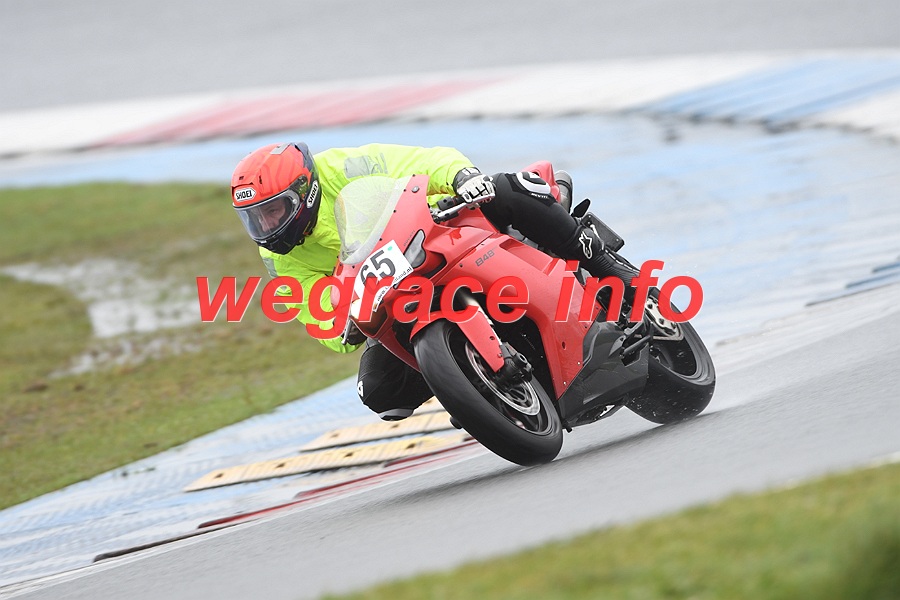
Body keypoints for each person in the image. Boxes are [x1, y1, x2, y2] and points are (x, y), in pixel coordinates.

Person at [231, 142, 638, 421]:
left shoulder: (341, 166)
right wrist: (345, 324)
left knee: (506, 188)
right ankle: (473, 383)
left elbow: (421, 160)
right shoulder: (278, 257)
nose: (267, 227)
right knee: (379, 392)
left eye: (274, 211)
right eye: (255, 219)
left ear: (305, 191)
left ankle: (605, 265)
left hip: (435, 228)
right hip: (394, 294)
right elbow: (316, 312)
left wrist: (462, 177)